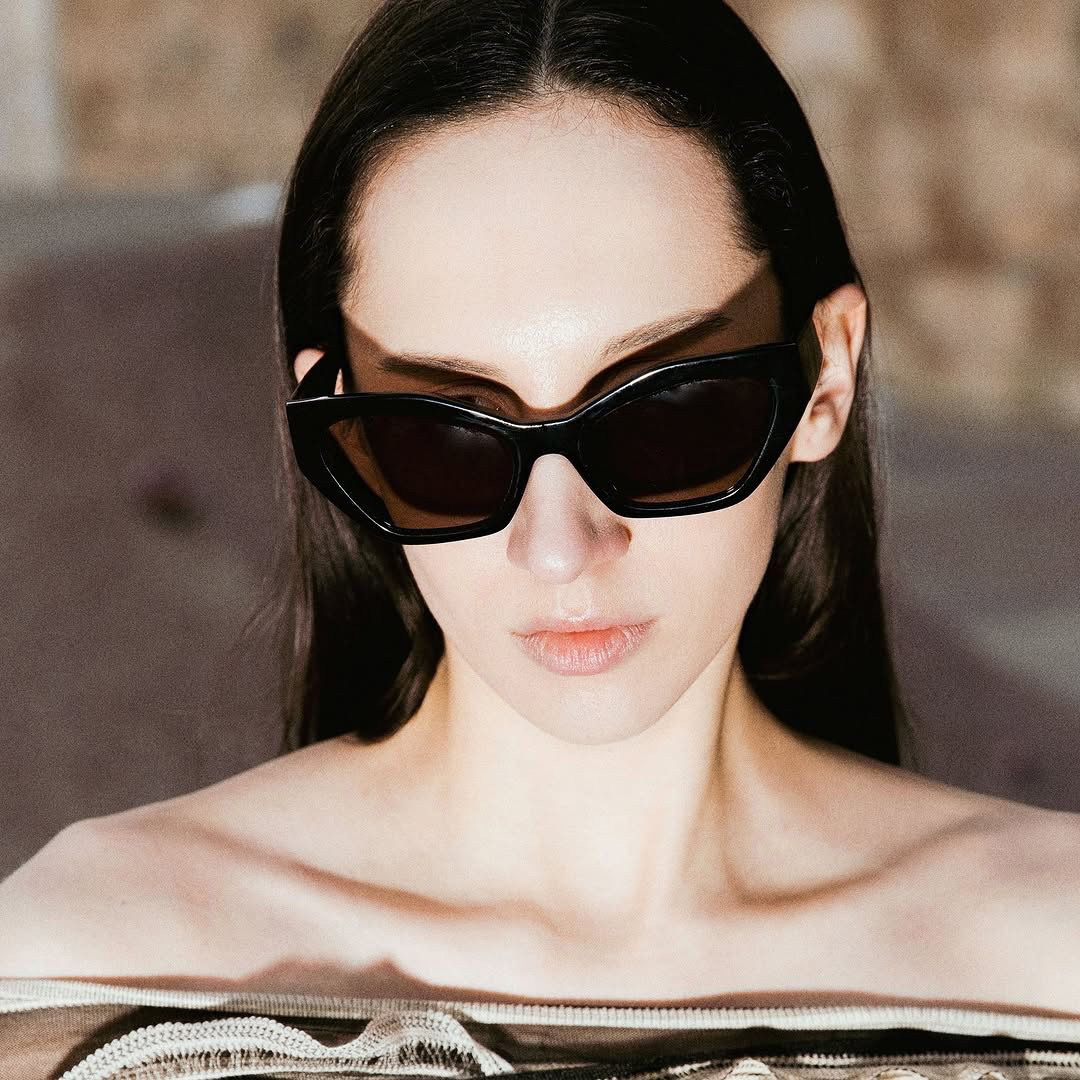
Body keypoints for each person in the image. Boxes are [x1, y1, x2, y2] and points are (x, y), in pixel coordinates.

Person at [1, 0, 1078, 1015]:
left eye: (664, 415)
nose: (560, 548)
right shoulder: (94, 963)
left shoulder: (1047, 956)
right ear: (347, 429)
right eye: (445, 437)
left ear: (826, 377)